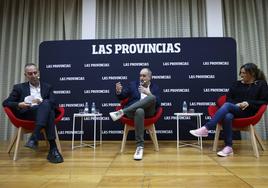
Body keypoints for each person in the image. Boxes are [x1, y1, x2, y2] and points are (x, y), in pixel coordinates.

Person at [190, 63, 268, 157]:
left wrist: (248, 103)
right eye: (241, 73)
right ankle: (228, 147)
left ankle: (206, 128)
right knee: (227, 116)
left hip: (249, 112)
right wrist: (236, 104)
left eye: (244, 73)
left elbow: (264, 101)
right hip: (235, 109)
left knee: (227, 106)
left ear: (252, 73)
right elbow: (229, 98)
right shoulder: (236, 84)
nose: (241, 75)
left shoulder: (261, 84)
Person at [2, 63, 64, 163]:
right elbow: (6, 102)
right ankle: (52, 148)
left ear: (38, 72)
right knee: (48, 111)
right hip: (28, 114)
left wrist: (42, 102)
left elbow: (55, 103)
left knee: (47, 104)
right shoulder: (19, 88)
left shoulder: (47, 87)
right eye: (30, 74)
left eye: (35, 72)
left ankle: (35, 138)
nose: (33, 75)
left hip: (43, 113)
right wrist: (19, 104)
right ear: (25, 75)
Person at [109, 68, 161, 160]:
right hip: (133, 113)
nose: (141, 77)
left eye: (144, 76)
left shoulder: (155, 87)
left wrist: (148, 93)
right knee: (139, 111)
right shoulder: (133, 85)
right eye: (140, 75)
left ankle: (122, 112)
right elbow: (122, 97)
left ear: (150, 77)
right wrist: (118, 91)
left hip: (149, 112)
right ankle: (139, 147)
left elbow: (158, 103)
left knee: (152, 97)